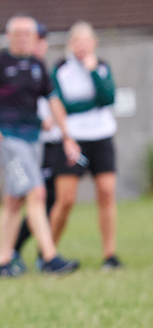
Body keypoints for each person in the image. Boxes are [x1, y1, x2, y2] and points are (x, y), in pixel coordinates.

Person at [0, 15, 80, 276]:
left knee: (14, 200)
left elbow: (53, 100)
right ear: (10, 36)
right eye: (20, 33)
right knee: (37, 193)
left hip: (33, 139)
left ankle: (3, 261)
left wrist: (66, 135)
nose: (25, 38)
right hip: (9, 139)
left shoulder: (38, 65)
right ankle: (49, 257)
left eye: (30, 33)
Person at [47, 22, 122, 270]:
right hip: (72, 139)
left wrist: (91, 73)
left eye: (86, 42)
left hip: (101, 136)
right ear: (70, 44)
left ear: (94, 44)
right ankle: (47, 252)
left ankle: (109, 255)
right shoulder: (60, 70)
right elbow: (62, 105)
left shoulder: (100, 67)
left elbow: (108, 98)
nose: (81, 47)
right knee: (66, 199)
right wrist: (89, 104)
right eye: (76, 42)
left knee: (107, 192)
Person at [10, 22, 58, 271]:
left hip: (49, 143)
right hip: (27, 142)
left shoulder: (44, 70)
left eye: (40, 40)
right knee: (28, 197)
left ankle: (44, 253)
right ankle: (13, 252)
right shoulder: (16, 70)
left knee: (44, 198)